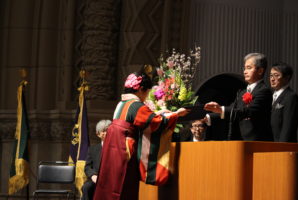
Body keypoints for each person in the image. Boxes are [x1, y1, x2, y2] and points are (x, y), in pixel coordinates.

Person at [93, 71, 189, 200]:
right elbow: (156, 123)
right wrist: (176, 114)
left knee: (110, 183)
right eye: (147, 93)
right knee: (125, 183)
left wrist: (158, 112)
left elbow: (141, 119)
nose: (146, 97)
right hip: (124, 150)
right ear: (140, 90)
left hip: (112, 147)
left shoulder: (121, 104)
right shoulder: (136, 105)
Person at [204, 53, 273, 141]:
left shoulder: (264, 91)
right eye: (244, 68)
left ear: (260, 71)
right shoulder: (242, 92)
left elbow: (248, 111)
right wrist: (209, 116)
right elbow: (232, 109)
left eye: (249, 68)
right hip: (240, 140)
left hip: (256, 141)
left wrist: (221, 109)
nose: (245, 71)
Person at [269, 62, 298, 142]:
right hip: (269, 145)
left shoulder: (291, 97)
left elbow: (288, 128)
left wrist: (281, 149)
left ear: (287, 78)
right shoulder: (271, 96)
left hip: (282, 147)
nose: (272, 79)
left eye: (276, 75)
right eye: (271, 75)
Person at [81, 119, 111, 200]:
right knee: (87, 187)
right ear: (98, 134)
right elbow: (87, 167)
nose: (107, 133)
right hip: (96, 179)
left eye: (108, 130)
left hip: (112, 180)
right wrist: (93, 176)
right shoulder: (92, 149)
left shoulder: (117, 149)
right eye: (104, 131)